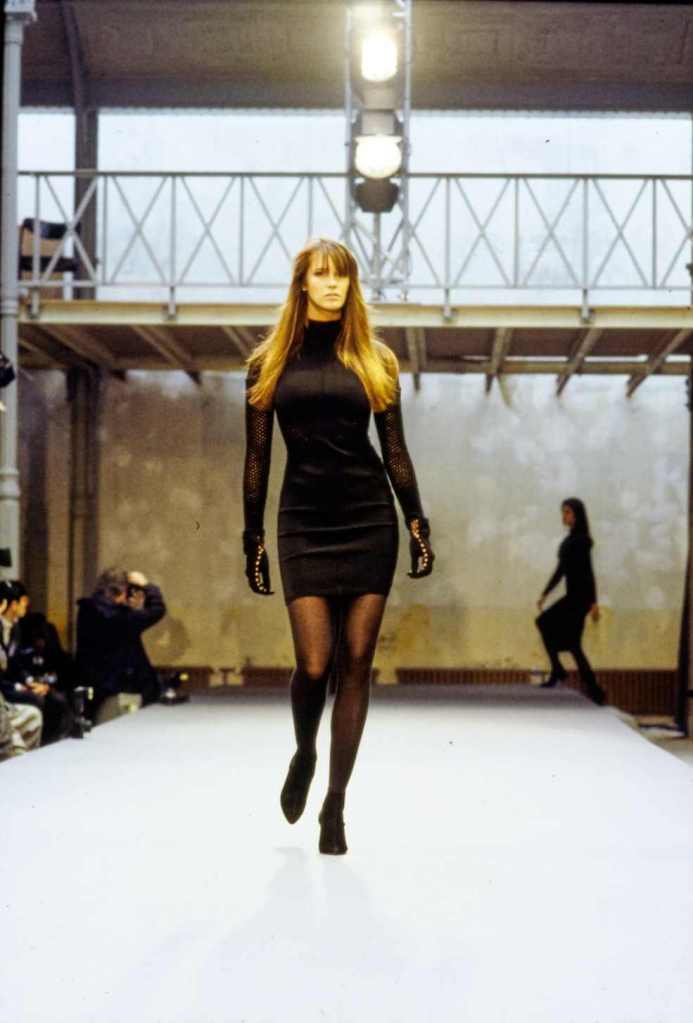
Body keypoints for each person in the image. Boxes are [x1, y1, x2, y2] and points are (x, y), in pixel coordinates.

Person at [242, 237, 434, 855]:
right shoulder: (269, 362)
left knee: (356, 661)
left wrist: (417, 523)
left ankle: (335, 803)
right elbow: (257, 457)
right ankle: (305, 751)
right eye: (321, 275)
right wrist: (252, 537)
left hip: (368, 517)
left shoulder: (376, 359)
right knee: (314, 664)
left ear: (352, 285)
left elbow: (395, 450)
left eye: (342, 276)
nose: (332, 284)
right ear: (301, 283)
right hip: (303, 520)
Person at [536, 497, 606, 705]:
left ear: (577, 515)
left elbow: (588, 572)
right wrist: (545, 593)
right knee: (572, 644)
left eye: (567, 512)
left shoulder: (582, 541)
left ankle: (560, 671)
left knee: (546, 624)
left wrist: (593, 602)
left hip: (580, 599)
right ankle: (593, 689)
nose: (564, 516)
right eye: (563, 512)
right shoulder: (571, 540)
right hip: (573, 597)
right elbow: (561, 571)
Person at [76, 569, 166, 722]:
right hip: (119, 690)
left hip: (95, 687)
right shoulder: (118, 618)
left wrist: (129, 609)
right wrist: (146, 585)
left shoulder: (87, 610)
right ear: (120, 592)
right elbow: (157, 610)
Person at [0, 580, 71, 743]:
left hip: (11, 683)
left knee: (56, 698)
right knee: (37, 700)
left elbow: (15, 664)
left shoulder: (16, 628)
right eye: (23, 600)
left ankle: (51, 743)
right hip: (4, 688)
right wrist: (19, 686)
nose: (27, 604)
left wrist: (30, 681)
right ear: (11, 604)